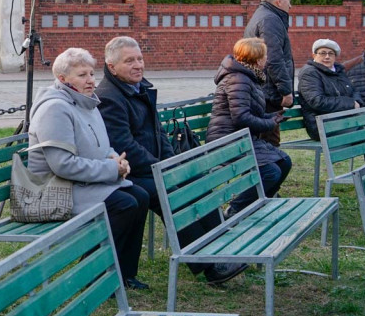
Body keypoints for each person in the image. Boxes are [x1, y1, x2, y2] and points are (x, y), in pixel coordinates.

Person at [96, 37, 247, 284]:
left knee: (197, 181)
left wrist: (174, 163)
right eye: (129, 61)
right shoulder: (110, 97)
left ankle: (223, 248)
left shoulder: (139, 88)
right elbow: (125, 147)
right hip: (129, 173)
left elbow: (158, 134)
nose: (138, 65)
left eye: (140, 59)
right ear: (112, 67)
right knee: (171, 196)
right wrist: (161, 168)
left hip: (153, 167)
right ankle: (209, 267)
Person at [28, 47, 148, 290]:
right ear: (63, 79)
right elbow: (62, 166)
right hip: (55, 191)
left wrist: (117, 160)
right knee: (124, 205)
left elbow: (103, 146)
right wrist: (111, 169)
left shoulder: (86, 103)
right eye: (82, 75)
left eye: (92, 74)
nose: (91, 80)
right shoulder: (54, 109)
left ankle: (123, 273)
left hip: (82, 183)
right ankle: (93, 274)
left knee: (141, 196)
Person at [206, 37, 293, 214]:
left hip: (242, 138)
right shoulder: (238, 79)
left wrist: (273, 116)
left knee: (284, 162)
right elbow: (241, 118)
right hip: (227, 140)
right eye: (265, 56)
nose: (267, 60)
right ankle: (235, 209)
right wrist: (269, 123)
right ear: (257, 59)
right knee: (270, 172)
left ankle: (258, 204)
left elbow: (250, 112)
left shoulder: (248, 77)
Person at [244, 0, 294, 146]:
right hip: (268, 93)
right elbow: (273, 59)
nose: (291, 5)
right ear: (279, 0)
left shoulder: (262, 14)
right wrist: (286, 91)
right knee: (271, 144)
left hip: (262, 90)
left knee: (267, 143)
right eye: (289, 0)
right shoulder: (270, 19)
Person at [297, 38, 363, 140]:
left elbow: (353, 90)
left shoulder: (338, 71)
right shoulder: (309, 73)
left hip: (344, 119)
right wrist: (351, 103)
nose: (327, 56)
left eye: (331, 53)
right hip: (322, 125)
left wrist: (357, 101)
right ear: (314, 55)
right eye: (322, 53)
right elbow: (318, 101)